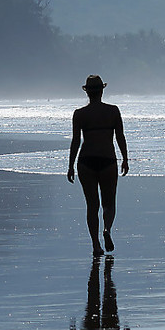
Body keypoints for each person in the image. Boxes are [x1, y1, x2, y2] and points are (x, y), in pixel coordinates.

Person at [68, 74, 129, 256]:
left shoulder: (80, 114)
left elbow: (75, 141)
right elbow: (120, 137)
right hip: (107, 160)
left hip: (86, 161)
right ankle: (107, 230)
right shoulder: (113, 111)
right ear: (102, 90)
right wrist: (125, 158)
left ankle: (95, 245)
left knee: (92, 205)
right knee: (109, 202)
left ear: (87, 92)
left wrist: (70, 165)